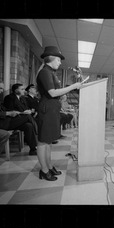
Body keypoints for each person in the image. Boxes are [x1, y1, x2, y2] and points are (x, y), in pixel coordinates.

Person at [36, 46, 83, 181]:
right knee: (43, 142)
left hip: (52, 109)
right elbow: (52, 92)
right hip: (47, 109)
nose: (60, 62)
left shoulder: (50, 72)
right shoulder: (45, 72)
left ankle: (49, 166)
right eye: (58, 59)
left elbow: (55, 92)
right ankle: (44, 170)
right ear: (51, 58)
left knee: (48, 140)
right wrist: (74, 86)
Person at [0, 78, 38, 156]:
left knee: (28, 125)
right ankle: (38, 135)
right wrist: (8, 113)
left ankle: (33, 149)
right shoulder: (9, 98)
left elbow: (4, 108)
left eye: (2, 88)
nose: (2, 91)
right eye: (0, 88)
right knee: (27, 117)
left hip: (7, 120)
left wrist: (15, 112)